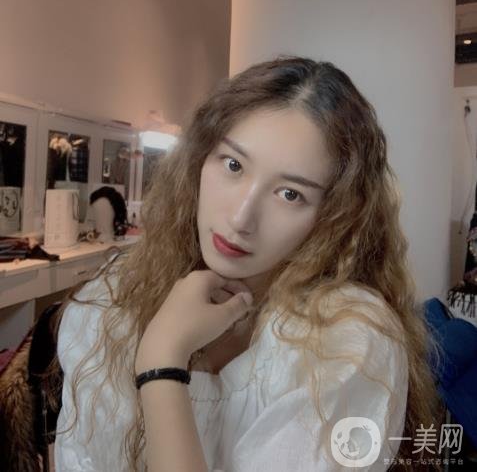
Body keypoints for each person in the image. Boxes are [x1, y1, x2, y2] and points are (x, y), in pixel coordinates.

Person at [51, 57, 443, 471]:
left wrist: (162, 361)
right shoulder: (112, 295)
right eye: (233, 165)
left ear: (334, 215)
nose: (241, 219)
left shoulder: (347, 341)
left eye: (290, 194)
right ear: (199, 160)